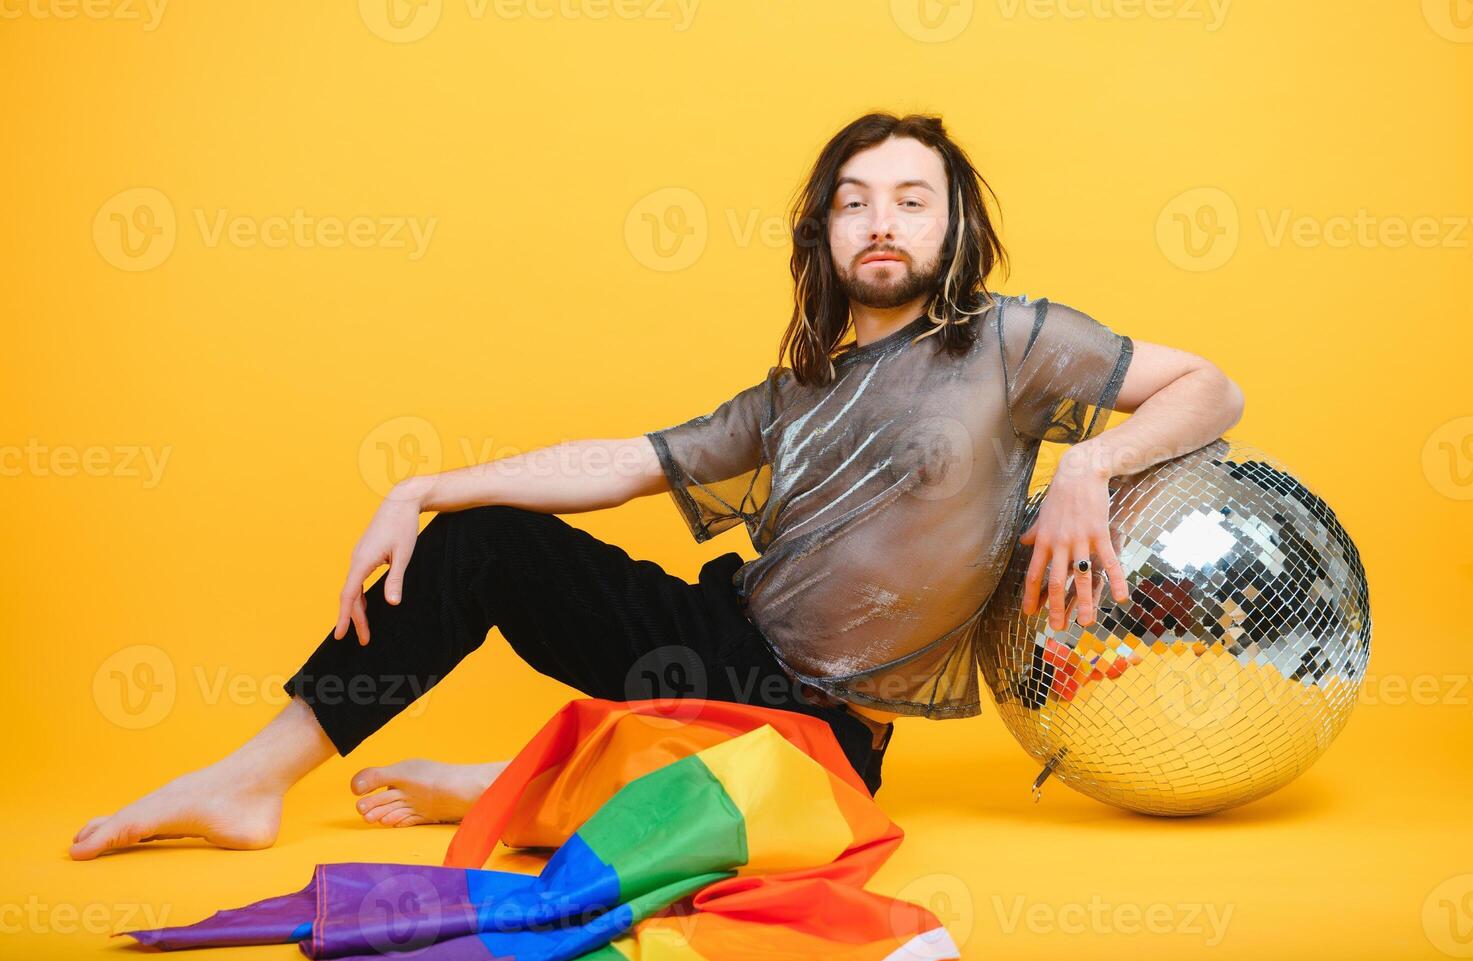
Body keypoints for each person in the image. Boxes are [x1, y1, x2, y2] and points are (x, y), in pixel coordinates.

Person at [69, 112, 1244, 860]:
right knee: (486, 539)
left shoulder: (1015, 341)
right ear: (823, 234)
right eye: (854, 199)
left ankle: (525, 787)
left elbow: (1211, 389)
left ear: (956, 222)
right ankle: (250, 780)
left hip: (824, 724)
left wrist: (1091, 457)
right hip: (726, 637)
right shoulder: (793, 387)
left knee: (786, 809)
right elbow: (620, 463)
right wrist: (425, 486)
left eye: (911, 197)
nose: (881, 220)